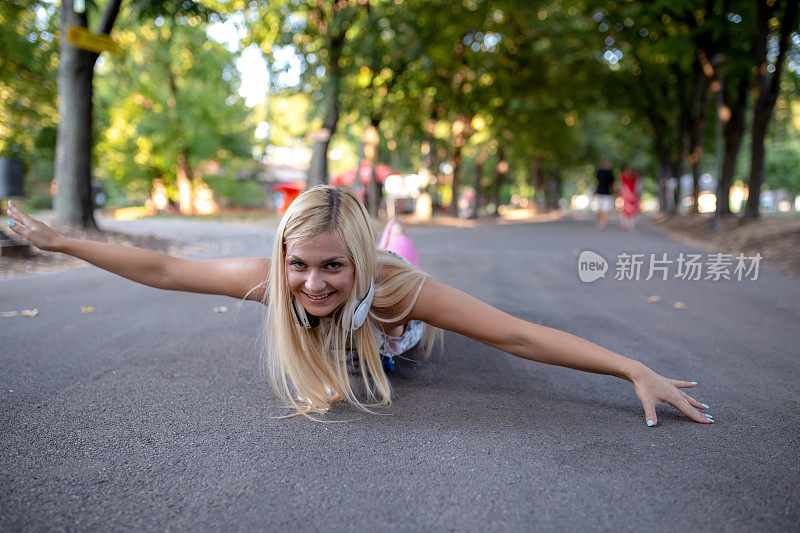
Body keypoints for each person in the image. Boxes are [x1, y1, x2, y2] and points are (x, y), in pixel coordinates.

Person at [5, 188, 713, 426]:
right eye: (300, 263)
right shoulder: (272, 276)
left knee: (400, 256)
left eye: (331, 266)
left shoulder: (395, 289)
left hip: (391, 315)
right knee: (345, 285)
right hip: (367, 292)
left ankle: (392, 232)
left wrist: (631, 368)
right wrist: (60, 240)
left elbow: (517, 335)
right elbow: (163, 266)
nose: (311, 282)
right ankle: (386, 231)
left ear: (356, 263)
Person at [594, 159, 615, 230]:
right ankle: (602, 224)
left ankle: (600, 223)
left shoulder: (600, 172)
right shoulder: (609, 172)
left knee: (601, 209)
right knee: (604, 210)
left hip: (601, 192)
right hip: (605, 193)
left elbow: (596, 181)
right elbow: (612, 184)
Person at [620, 164, 641, 232]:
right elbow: (622, 185)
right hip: (627, 194)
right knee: (626, 210)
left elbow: (637, 185)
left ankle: (630, 224)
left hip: (631, 194)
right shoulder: (624, 176)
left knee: (630, 210)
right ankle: (627, 224)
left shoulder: (635, 176)